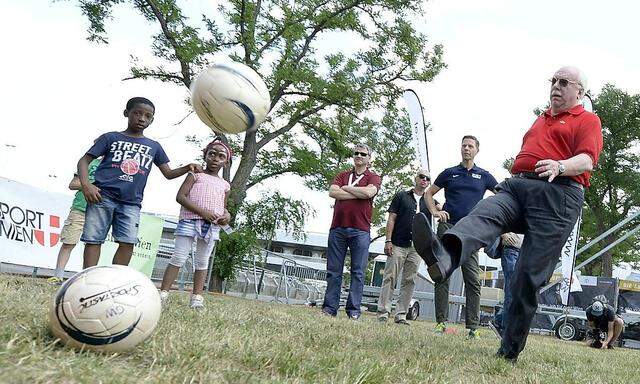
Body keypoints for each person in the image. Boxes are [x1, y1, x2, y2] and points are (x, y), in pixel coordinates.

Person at [412, 66, 603, 362]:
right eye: (552, 80)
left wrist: (560, 166)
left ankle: (509, 349)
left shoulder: (587, 119)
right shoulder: (540, 119)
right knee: (482, 215)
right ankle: (444, 256)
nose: (556, 86)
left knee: (526, 277)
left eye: (564, 82)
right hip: (519, 186)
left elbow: (587, 160)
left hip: (558, 193)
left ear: (580, 91)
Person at [77, 97, 201, 269]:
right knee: (93, 240)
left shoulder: (154, 146)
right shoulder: (110, 137)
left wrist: (187, 167)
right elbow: (84, 160)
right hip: (102, 197)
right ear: (127, 113)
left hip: (131, 202)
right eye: (137, 113)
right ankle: (88, 278)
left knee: (128, 242)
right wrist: (86, 185)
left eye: (148, 116)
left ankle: (115, 280)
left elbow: (169, 173)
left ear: (152, 120)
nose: (142, 118)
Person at [423, 135, 498, 339]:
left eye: (470, 146)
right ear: (460, 149)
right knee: (442, 275)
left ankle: (473, 328)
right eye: (464, 145)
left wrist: (489, 219)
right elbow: (428, 194)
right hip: (447, 228)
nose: (466, 149)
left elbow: (501, 196)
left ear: (476, 151)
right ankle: (441, 323)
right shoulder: (449, 173)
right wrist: (435, 212)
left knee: (472, 279)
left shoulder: (484, 176)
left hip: (471, 232)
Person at [159, 139, 231, 309]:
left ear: (225, 163)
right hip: (189, 221)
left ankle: (197, 297)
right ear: (205, 155)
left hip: (212, 226)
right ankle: (163, 294)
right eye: (212, 154)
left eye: (220, 156)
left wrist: (226, 216)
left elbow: (224, 207)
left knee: (202, 261)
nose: (215, 158)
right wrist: (203, 213)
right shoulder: (195, 175)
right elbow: (181, 197)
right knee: (178, 256)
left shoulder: (225, 185)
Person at [321, 143, 382, 320]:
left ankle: (353, 310)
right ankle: (329, 308)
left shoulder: (373, 177)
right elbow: (333, 192)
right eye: (356, 153)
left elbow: (370, 193)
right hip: (338, 228)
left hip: (360, 230)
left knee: (358, 272)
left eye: (363, 154)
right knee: (334, 270)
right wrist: (357, 193)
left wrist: (346, 189)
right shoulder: (343, 175)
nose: (359, 156)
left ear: (369, 158)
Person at [377, 169, 441, 325]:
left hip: (417, 247)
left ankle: (401, 315)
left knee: (409, 280)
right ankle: (383, 313)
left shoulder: (429, 200)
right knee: (390, 277)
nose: (424, 180)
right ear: (416, 178)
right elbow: (391, 218)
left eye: (427, 178)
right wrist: (388, 240)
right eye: (422, 177)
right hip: (398, 243)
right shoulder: (401, 196)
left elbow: (441, 209)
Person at [47, 158, 101, 284]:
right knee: (69, 242)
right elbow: (73, 184)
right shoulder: (90, 163)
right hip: (80, 209)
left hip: (99, 211)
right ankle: (58, 276)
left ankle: (86, 279)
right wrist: (90, 184)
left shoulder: (114, 166)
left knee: (93, 246)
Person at [487, 232, 523, 338]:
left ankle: (499, 321)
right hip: (511, 249)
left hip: (524, 251)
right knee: (512, 291)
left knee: (519, 293)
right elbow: (496, 218)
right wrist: (503, 234)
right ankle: (505, 329)